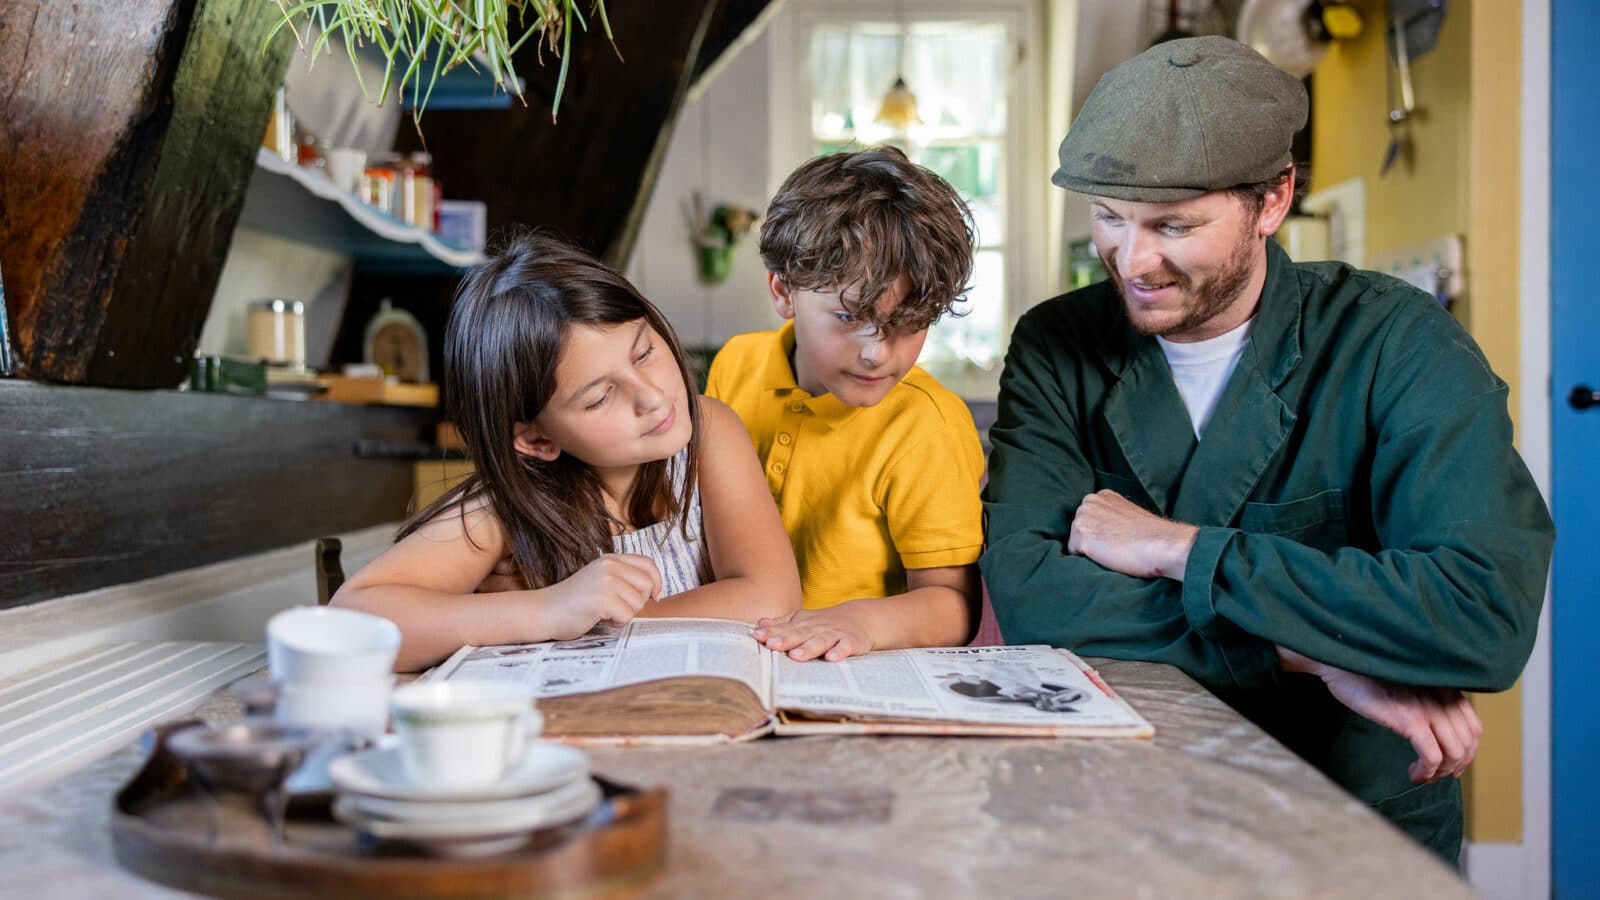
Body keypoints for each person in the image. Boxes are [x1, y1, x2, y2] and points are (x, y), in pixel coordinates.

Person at [981, 36, 1553, 864]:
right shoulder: (1056, 343)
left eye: (1173, 225)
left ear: (1274, 199)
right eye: (1110, 217)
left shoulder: (1397, 342)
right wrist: (1317, 653)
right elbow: (1035, 601)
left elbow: (1480, 614)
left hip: (1348, 817)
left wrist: (1175, 548)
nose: (1133, 259)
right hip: (1117, 807)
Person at [333, 233, 802, 671]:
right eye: (600, 398)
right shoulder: (508, 509)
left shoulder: (708, 432)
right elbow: (348, 627)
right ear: (538, 439)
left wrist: (601, 623)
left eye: (643, 353)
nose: (653, 397)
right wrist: (548, 609)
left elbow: (770, 598)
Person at [704, 146, 986, 662]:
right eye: (848, 317)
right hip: (728, 649)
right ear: (783, 292)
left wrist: (860, 622)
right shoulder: (735, 365)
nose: (877, 353)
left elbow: (955, 605)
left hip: (853, 669)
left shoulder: (929, 425)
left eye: (907, 323)